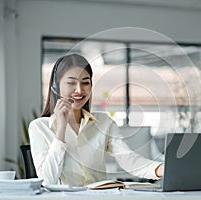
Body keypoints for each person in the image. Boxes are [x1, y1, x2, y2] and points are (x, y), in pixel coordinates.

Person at [28, 54, 164, 186]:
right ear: (56, 86)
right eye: (71, 83)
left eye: (85, 83)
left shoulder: (104, 122)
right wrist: (60, 130)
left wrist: (162, 169)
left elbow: (128, 160)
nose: (79, 90)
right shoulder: (39, 127)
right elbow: (47, 181)